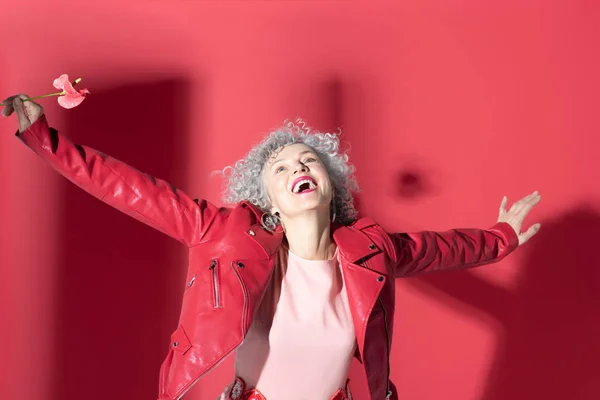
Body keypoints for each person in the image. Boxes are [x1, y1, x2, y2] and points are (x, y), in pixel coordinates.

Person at [2, 94, 541, 400]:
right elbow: (135, 192)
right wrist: (45, 139)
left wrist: (503, 237)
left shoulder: (371, 250)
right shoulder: (227, 233)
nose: (297, 169)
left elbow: (441, 249)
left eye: (308, 161)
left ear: (331, 184)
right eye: (281, 169)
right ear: (270, 200)